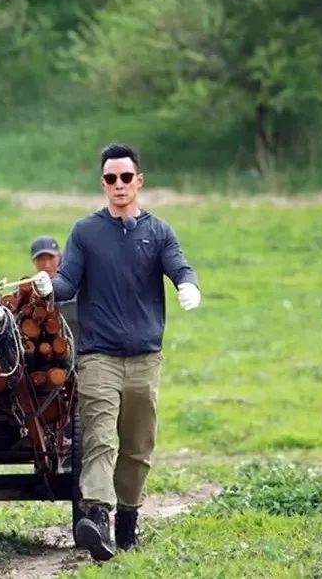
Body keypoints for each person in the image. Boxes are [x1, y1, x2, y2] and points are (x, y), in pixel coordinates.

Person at [31, 143, 200, 561]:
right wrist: (50, 287)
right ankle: (97, 517)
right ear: (102, 184)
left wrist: (187, 284)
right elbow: (69, 280)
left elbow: (179, 264)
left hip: (145, 357)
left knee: (138, 446)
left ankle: (127, 522)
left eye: (126, 177)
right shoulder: (85, 232)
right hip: (99, 356)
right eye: (111, 178)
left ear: (139, 181)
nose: (119, 185)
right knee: (100, 440)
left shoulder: (158, 232)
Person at [29, 235, 80, 345]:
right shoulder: (30, 293)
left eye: (51, 258)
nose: (47, 265)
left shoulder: (76, 283)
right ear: (34, 262)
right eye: (41, 260)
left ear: (60, 257)